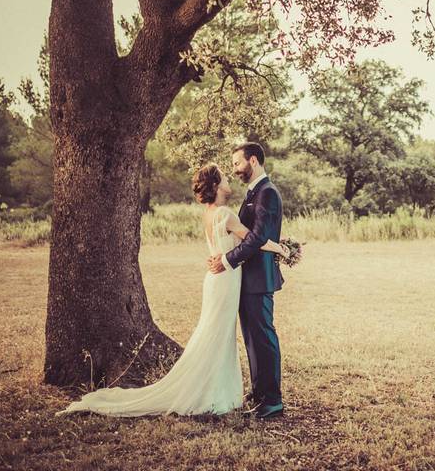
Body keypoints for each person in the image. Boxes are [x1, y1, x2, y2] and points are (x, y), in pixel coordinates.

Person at [56, 161, 288, 418]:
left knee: (214, 334)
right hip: (224, 281)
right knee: (217, 336)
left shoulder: (210, 212)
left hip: (217, 280)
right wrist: (280, 248)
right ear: (215, 185)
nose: (228, 180)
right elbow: (254, 239)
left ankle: (214, 387)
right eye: (224, 177)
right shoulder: (226, 215)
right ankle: (209, 391)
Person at [207, 141, 286, 420]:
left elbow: (258, 237)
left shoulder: (267, 192)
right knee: (252, 339)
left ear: (253, 161)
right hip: (246, 279)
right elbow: (255, 234)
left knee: (263, 338)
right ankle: (260, 392)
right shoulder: (254, 192)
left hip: (259, 279)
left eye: (238, 163)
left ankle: (272, 401)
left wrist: (227, 260)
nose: (235, 170)